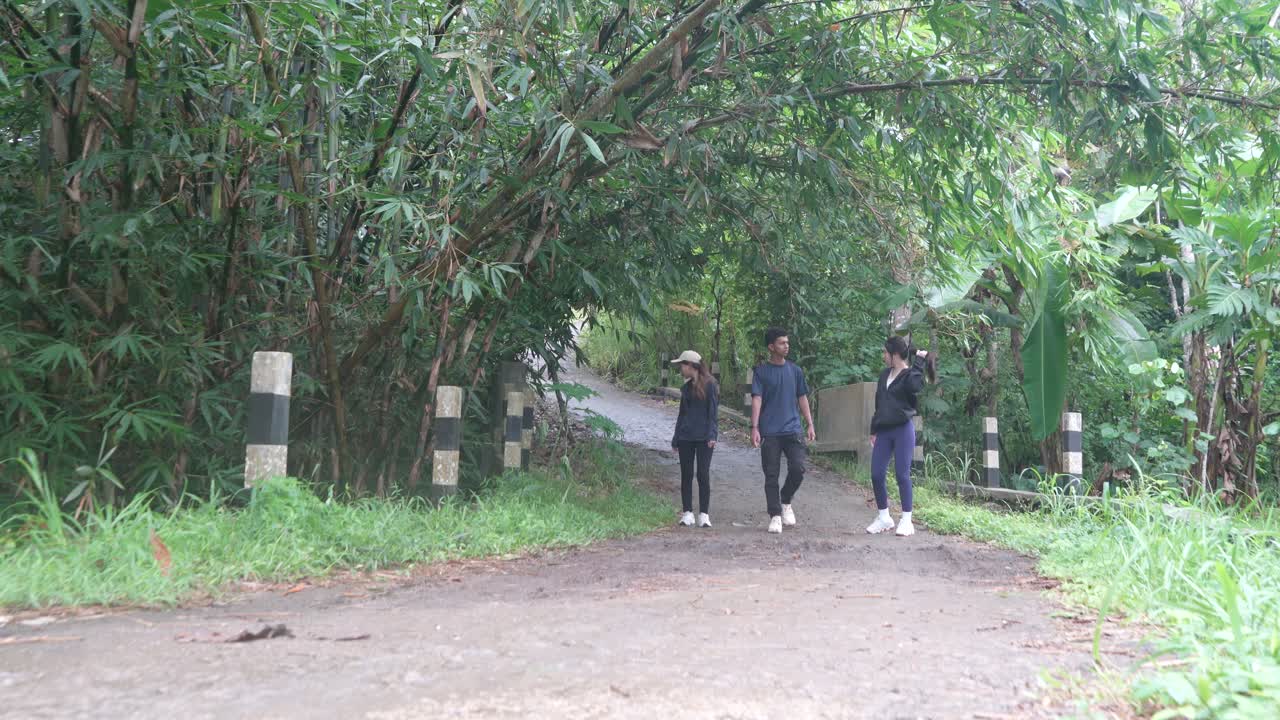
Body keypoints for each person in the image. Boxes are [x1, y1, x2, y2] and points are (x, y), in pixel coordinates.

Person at [866, 335, 936, 537]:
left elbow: (915, 388)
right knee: (876, 474)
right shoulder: (884, 375)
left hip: (903, 430)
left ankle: (907, 520)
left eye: (885, 353)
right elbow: (879, 403)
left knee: (902, 474)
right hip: (884, 430)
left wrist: (919, 362)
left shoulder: (909, 375)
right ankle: (883, 517)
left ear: (894, 354)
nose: (883, 356)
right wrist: (873, 429)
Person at [750, 328, 816, 534]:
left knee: (798, 469)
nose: (786, 346)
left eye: (787, 342)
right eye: (781, 343)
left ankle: (785, 500)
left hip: (793, 429)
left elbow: (802, 397)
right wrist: (755, 427)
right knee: (771, 474)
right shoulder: (761, 372)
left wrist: (810, 423)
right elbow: (757, 399)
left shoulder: (795, 371)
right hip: (770, 431)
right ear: (771, 347)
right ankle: (775, 515)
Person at [670, 350, 718, 528]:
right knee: (686, 474)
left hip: (705, 437)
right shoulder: (686, 388)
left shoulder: (710, 385)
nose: (681, 368)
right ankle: (687, 512)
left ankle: (704, 514)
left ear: (691, 366)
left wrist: (713, 434)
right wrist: (676, 437)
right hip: (686, 437)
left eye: (682, 365)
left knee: (703, 474)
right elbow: (682, 415)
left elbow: (713, 413)